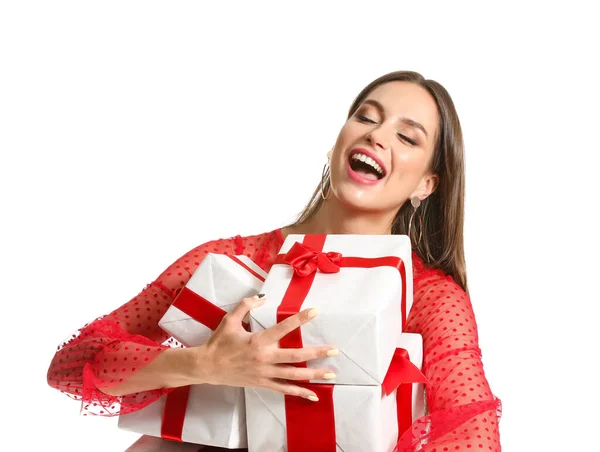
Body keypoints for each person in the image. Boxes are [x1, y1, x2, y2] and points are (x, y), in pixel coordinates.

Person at [48, 70, 502, 451]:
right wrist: (204, 365)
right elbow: (73, 364)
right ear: (338, 143)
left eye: (406, 136)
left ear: (426, 184)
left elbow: (473, 436)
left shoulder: (430, 299)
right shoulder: (231, 261)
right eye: (366, 117)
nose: (376, 135)